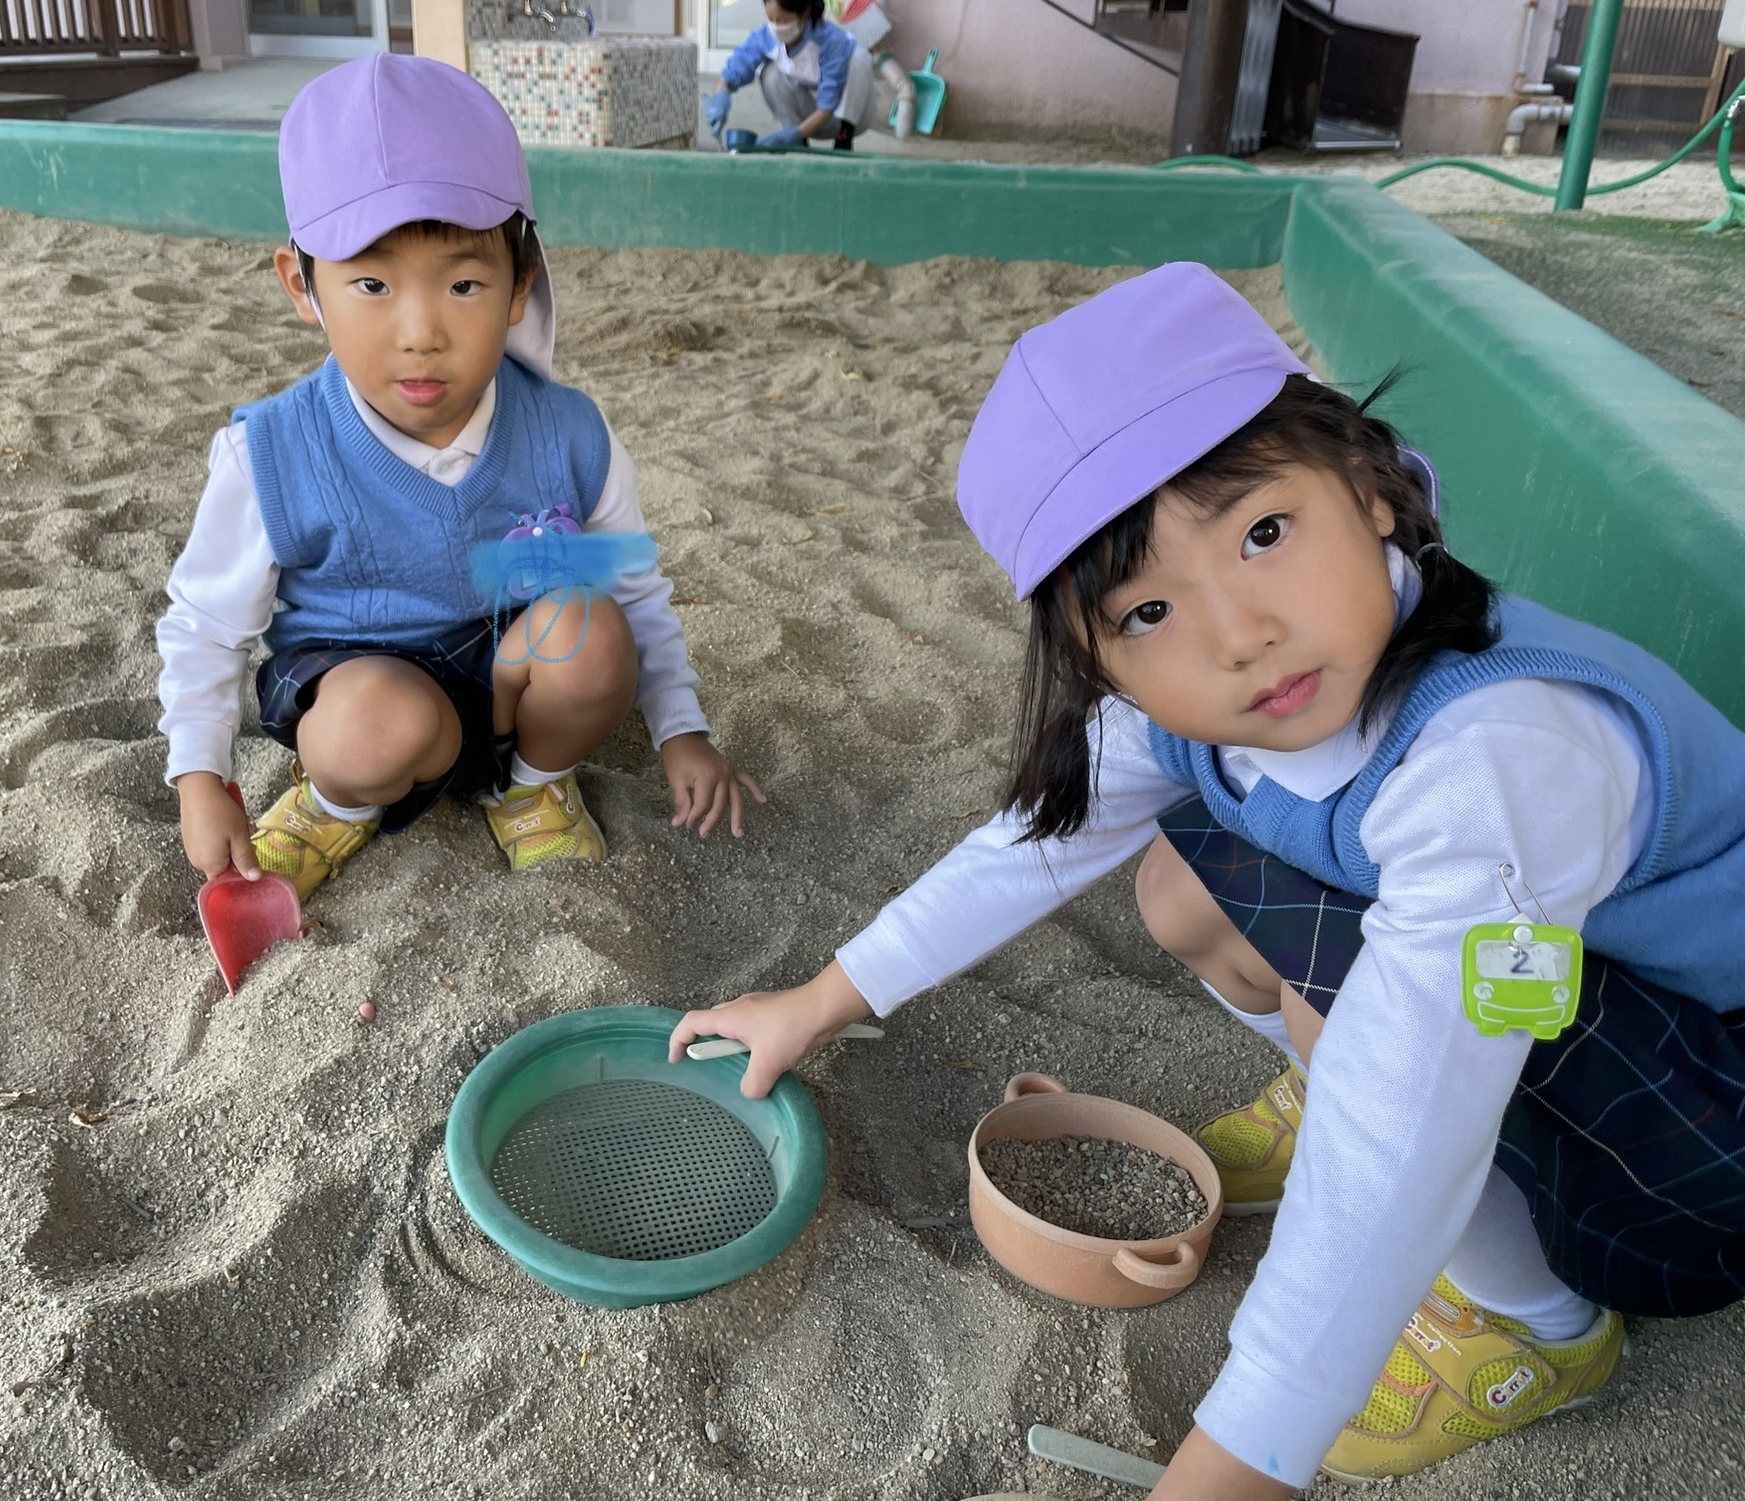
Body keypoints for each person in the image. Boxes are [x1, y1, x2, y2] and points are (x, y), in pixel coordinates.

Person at [670, 263, 1745, 1495]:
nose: (1238, 636)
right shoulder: (1209, 705)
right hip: (1581, 1006)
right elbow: (1032, 844)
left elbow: (1405, 1118)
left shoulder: (1497, 753)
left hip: (1700, 1137)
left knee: (1360, 1026)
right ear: (1092, 657)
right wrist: (818, 1000)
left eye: (1263, 534)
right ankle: (1327, 1080)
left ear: (1370, 488)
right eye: (1145, 611)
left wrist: (1237, 1462)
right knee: (1183, 884)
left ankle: (1541, 1328)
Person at [157, 55, 762, 898]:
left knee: (593, 632)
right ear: (303, 285)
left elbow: (635, 590)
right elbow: (208, 625)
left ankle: (532, 788)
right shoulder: (273, 453)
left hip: (513, 692)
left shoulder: (565, 433)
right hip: (363, 690)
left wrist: (682, 732)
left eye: (465, 283)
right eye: (372, 283)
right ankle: (335, 804)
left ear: (520, 285)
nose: (421, 332)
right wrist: (199, 776)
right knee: (371, 726)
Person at [705, 0, 878, 151]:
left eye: (782, 20)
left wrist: (791, 135)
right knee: (769, 74)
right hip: (807, 114)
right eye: (770, 19)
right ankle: (798, 143)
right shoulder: (767, 35)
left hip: (840, 115)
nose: (775, 27)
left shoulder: (831, 40)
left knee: (858, 57)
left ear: (804, 13)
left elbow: (827, 106)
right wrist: (721, 95)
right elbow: (739, 64)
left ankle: (843, 137)